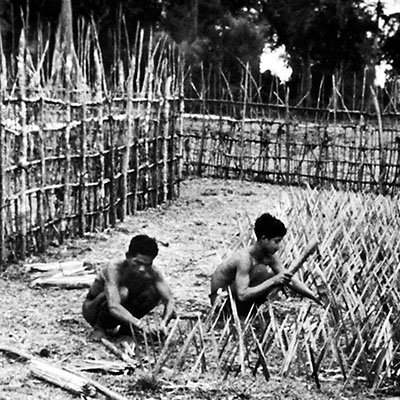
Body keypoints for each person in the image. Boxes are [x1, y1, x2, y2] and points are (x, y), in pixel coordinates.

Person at [210, 213, 321, 316]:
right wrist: (273, 281)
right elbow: (242, 295)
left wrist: (314, 297)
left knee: (275, 276)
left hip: (238, 295)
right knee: (267, 275)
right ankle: (241, 313)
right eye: (276, 241)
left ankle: (250, 311)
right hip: (222, 300)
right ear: (264, 239)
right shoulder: (244, 259)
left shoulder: (269, 257)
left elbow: (290, 279)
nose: (278, 247)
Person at [82, 234, 176, 340]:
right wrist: (140, 324)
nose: (142, 269)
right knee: (123, 292)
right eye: (138, 262)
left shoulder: (153, 272)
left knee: (154, 292)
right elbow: (113, 306)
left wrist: (164, 323)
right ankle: (100, 328)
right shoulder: (114, 268)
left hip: (122, 309)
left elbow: (169, 300)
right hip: (93, 310)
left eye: (147, 264)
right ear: (127, 256)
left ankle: (126, 330)